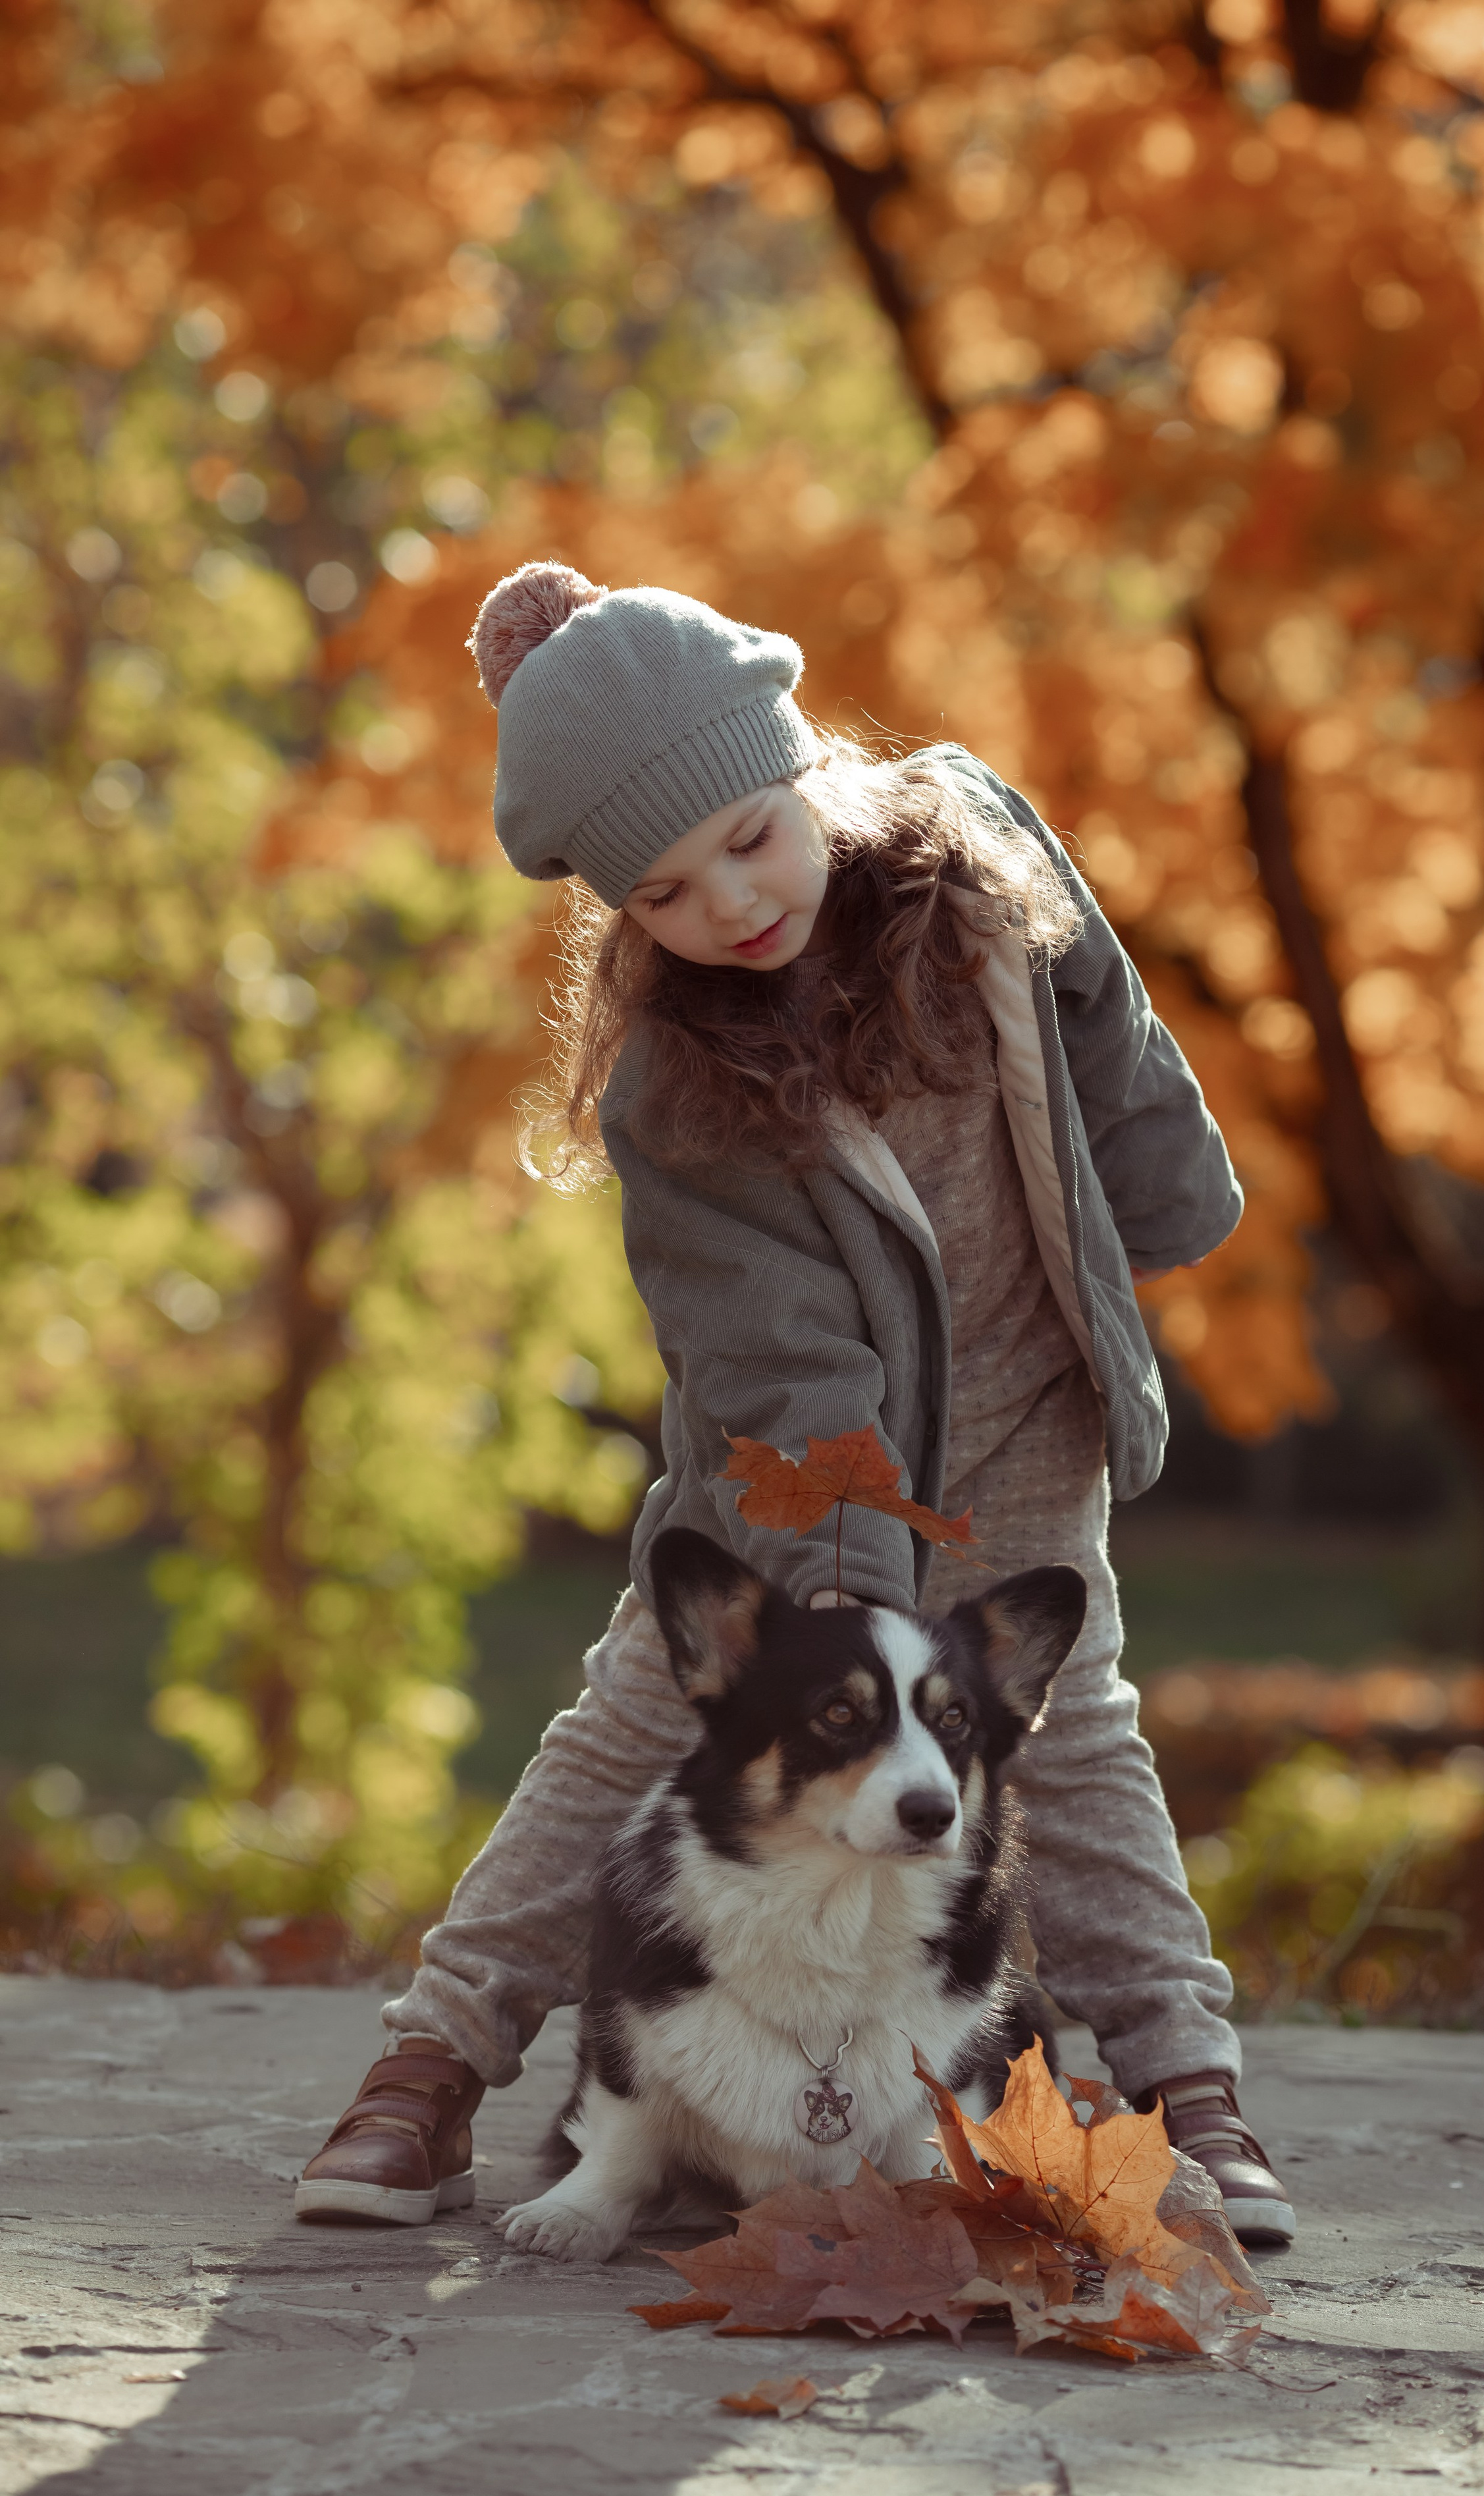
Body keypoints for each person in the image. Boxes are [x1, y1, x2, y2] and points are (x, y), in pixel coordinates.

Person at [294, 562, 1295, 2246]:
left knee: (1082, 1725)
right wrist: (831, 1564)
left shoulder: (978, 851)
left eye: (753, 836)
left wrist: (1167, 1206)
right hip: (796, 1459)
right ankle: (435, 2060)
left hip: (1023, 1401)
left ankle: (1185, 2086)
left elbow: (1103, 1030)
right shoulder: (679, 1088)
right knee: (636, 1716)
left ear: (801, 758)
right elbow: (774, 1352)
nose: (732, 904)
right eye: (667, 892)